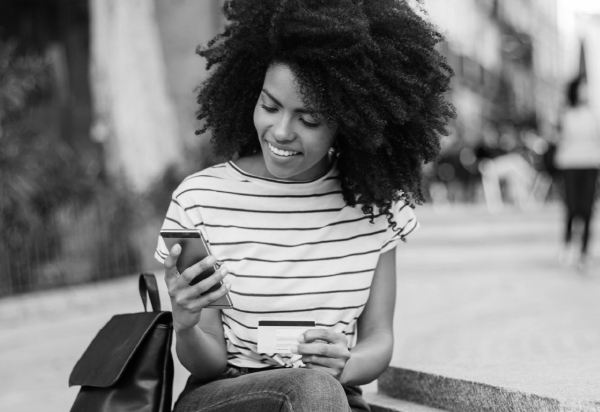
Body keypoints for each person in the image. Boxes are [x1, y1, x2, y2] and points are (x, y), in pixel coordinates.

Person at [154, 0, 454, 410]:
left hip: (332, 397)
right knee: (313, 390)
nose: (280, 131)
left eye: (309, 120)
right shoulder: (201, 200)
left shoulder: (376, 208)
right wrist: (186, 327)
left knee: (319, 390)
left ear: (347, 123)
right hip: (226, 394)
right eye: (269, 106)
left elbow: (379, 339)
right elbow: (209, 362)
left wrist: (345, 364)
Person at [555, 75, 600, 271]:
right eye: (582, 87)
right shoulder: (565, 114)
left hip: (590, 163)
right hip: (570, 164)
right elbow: (559, 138)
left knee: (588, 208)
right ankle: (567, 245)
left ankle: (584, 251)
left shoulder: (593, 114)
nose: (585, 91)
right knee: (572, 207)